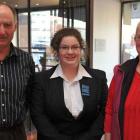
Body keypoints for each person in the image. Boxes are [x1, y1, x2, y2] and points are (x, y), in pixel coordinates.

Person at [31, 27, 108, 140]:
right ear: (56, 51)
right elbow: (38, 115)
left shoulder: (98, 78)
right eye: (64, 47)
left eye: (75, 47)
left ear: (81, 49)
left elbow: (105, 112)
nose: (70, 52)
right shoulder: (41, 80)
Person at [0, 3, 35, 140]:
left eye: (7, 25)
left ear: (15, 27)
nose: (2, 31)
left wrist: (32, 129)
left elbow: (32, 99)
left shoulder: (26, 60)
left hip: (16, 134)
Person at [104, 22, 140, 140]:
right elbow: (109, 109)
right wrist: (108, 136)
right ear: (135, 40)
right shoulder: (121, 73)